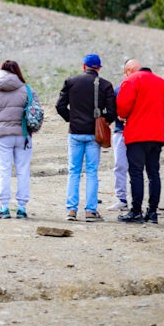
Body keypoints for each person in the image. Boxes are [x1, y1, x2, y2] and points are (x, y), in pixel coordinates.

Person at [55, 53, 116, 222]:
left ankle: (71, 211)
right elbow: (112, 112)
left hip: (75, 132)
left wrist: (71, 118)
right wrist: (104, 122)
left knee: (73, 171)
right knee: (91, 172)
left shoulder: (71, 81)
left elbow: (59, 106)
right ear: (98, 68)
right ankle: (90, 211)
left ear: (84, 66)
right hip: (93, 135)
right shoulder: (105, 85)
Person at [116, 59, 164, 224]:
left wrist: (124, 116)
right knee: (154, 174)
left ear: (129, 70)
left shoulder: (131, 80)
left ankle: (136, 211)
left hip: (136, 135)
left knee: (136, 173)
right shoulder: (162, 82)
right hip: (156, 135)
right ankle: (153, 212)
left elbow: (123, 106)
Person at [0, 59, 33, 220]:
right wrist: (31, 131)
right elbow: (38, 114)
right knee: (23, 170)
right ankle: (22, 207)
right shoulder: (27, 91)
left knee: (4, 171)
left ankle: (4, 207)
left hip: (2, 137)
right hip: (23, 136)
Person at [107, 74, 129, 212]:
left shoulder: (119, 90)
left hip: (133, 132)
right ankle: (122, 199)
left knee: (132, 167)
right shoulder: (118, 90)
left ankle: (132, 200)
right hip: (121, 131)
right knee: (120, 166)